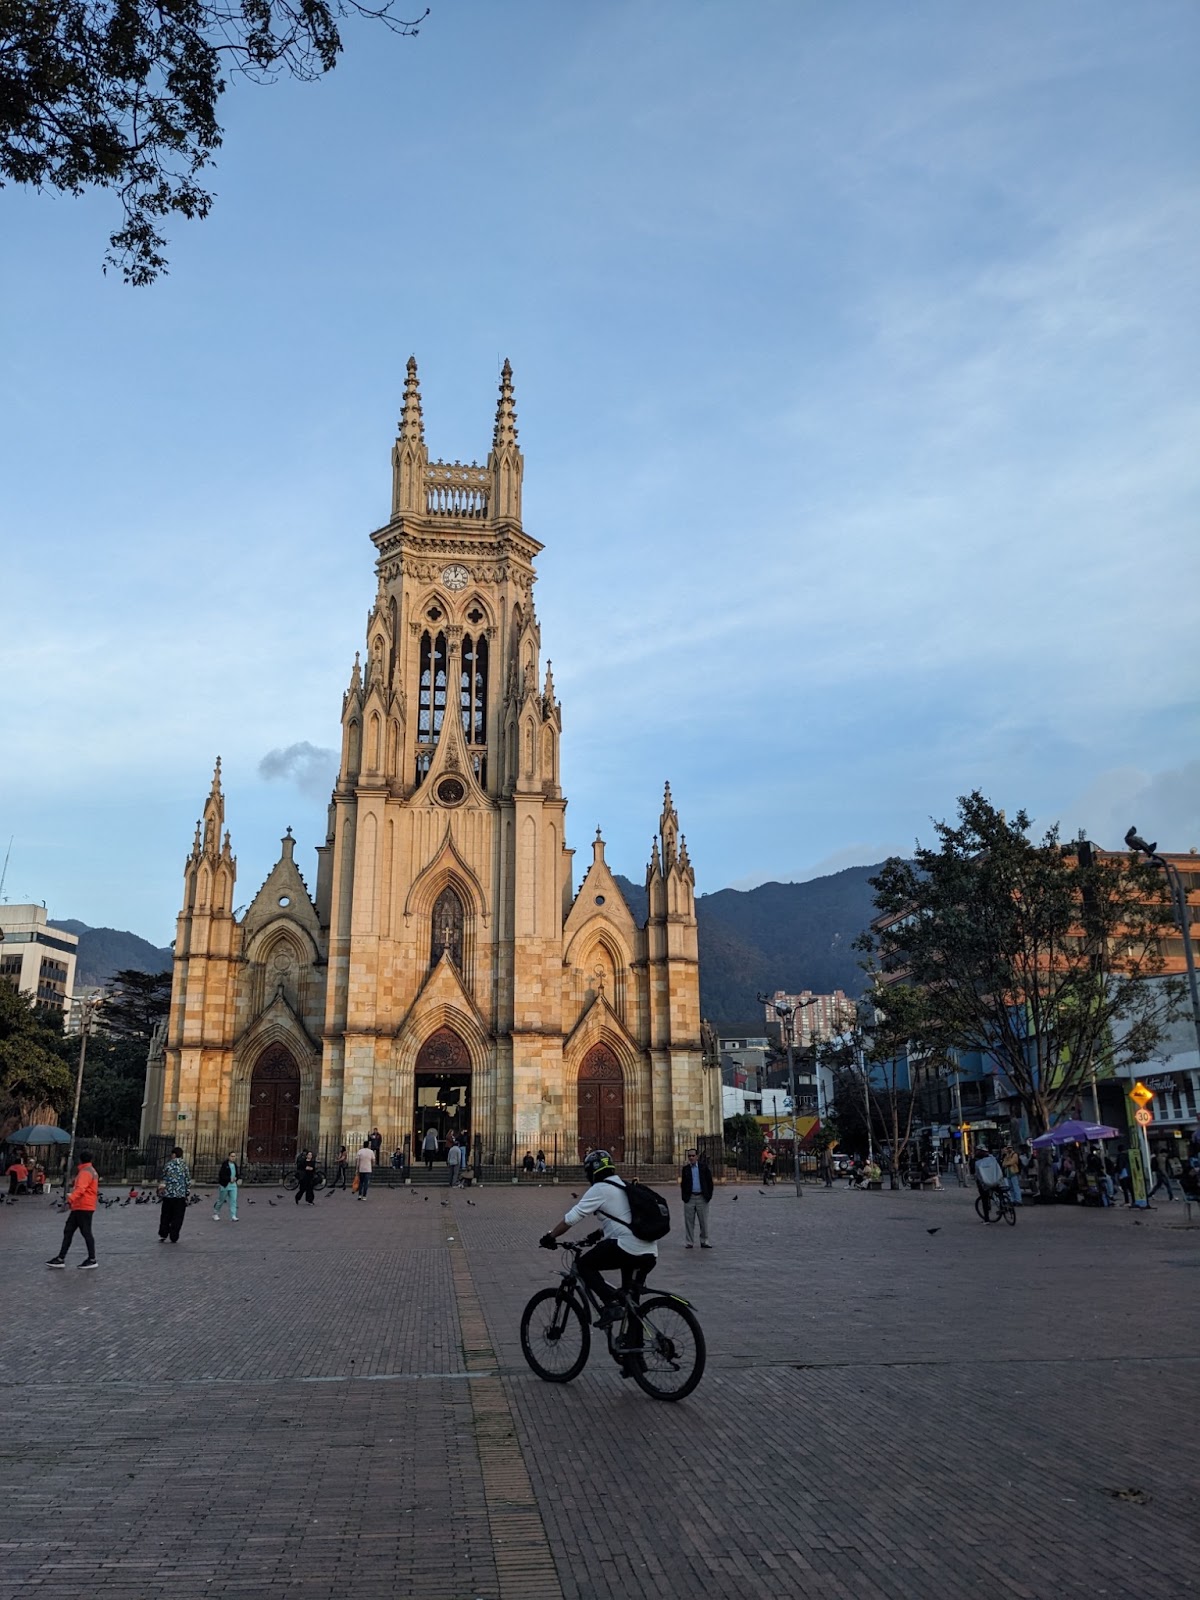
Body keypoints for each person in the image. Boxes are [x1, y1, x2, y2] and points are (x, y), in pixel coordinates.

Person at [539, 1149, 657, 1333]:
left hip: (626, 1247)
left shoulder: (599, 1188)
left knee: (585, 1266)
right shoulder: (623, 1185)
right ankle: (635, 1354)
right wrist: (600, 1233)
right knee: (632, 1304)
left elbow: (571, 1219)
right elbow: (626, 1218)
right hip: (649, 1250)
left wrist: (550, 1236)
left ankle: (610, 1304)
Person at [47, 1150, 99, 1269]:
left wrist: (69, 1200)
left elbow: (81, 1189)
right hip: (82, 1206)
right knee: (69, 1230)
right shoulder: (91, 1171)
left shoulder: (85, 1172)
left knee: (84, 1232)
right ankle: (61, 1258)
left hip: (83, 1206)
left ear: (80, 1160)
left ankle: (92, 1259)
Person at [679, 1147, 713, 1248]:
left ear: (697, 1157)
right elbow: (683, 1184)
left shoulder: (704, 1167)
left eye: (693, 1156)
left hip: (702, 1197)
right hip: (690, 1198)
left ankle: (704, 1240)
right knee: (689, 1221)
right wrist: (684, 1197)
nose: (691, 1158)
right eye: (689, 1156)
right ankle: (689, 1242)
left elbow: (709, 1182)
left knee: (703, 1221)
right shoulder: (686, 1169)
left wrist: (708, 1196)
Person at [158, 1146, 191, 1242]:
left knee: (165, 1215)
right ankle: (174, 1235)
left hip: (168, 1194)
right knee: (178, 1217)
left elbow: (163, 1178)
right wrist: (187, 1192)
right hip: (180, 1195)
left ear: (174, 1154)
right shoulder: (184, 1165)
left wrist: (161, 1189)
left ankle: (163, 1234)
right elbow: (188, 1180)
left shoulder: (168, 1165)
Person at [974, 1148, 1005, 1222]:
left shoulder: (978, 1163)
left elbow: (978, 1175)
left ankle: (987, 1219)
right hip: (995, 1181)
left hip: (985, 1184)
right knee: (999, 1192)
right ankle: (1003, 1205)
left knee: (984, 1200)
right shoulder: (993, 1159)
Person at [213, 1152, 240, 1221]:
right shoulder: (225, 1165)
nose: (233, 1158)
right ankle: (215, 1213)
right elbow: (222, 1175)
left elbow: (237, 1174)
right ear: (228, 1157)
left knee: (233, 1200)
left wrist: (236, 1178)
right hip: (225, 1185)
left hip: (233, 1185)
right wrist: (229, 1179)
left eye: (234, 1156)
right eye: (231, 1156)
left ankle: (233, 1215)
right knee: (221, 1200)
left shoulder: (235, 1165)